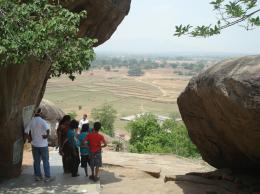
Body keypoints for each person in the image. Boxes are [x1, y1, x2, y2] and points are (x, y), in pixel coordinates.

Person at [24, 108, 54, 182]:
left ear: (34, 112)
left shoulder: (31, 121)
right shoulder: (43, 121)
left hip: (34, 145)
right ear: (40, 113)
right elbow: (48, 130)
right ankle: (47, 177)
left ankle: (38, 176)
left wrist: (30, 139)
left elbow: (25, 132)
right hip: (43, 145)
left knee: (36, 161)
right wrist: (46, 136)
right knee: (45, 161)